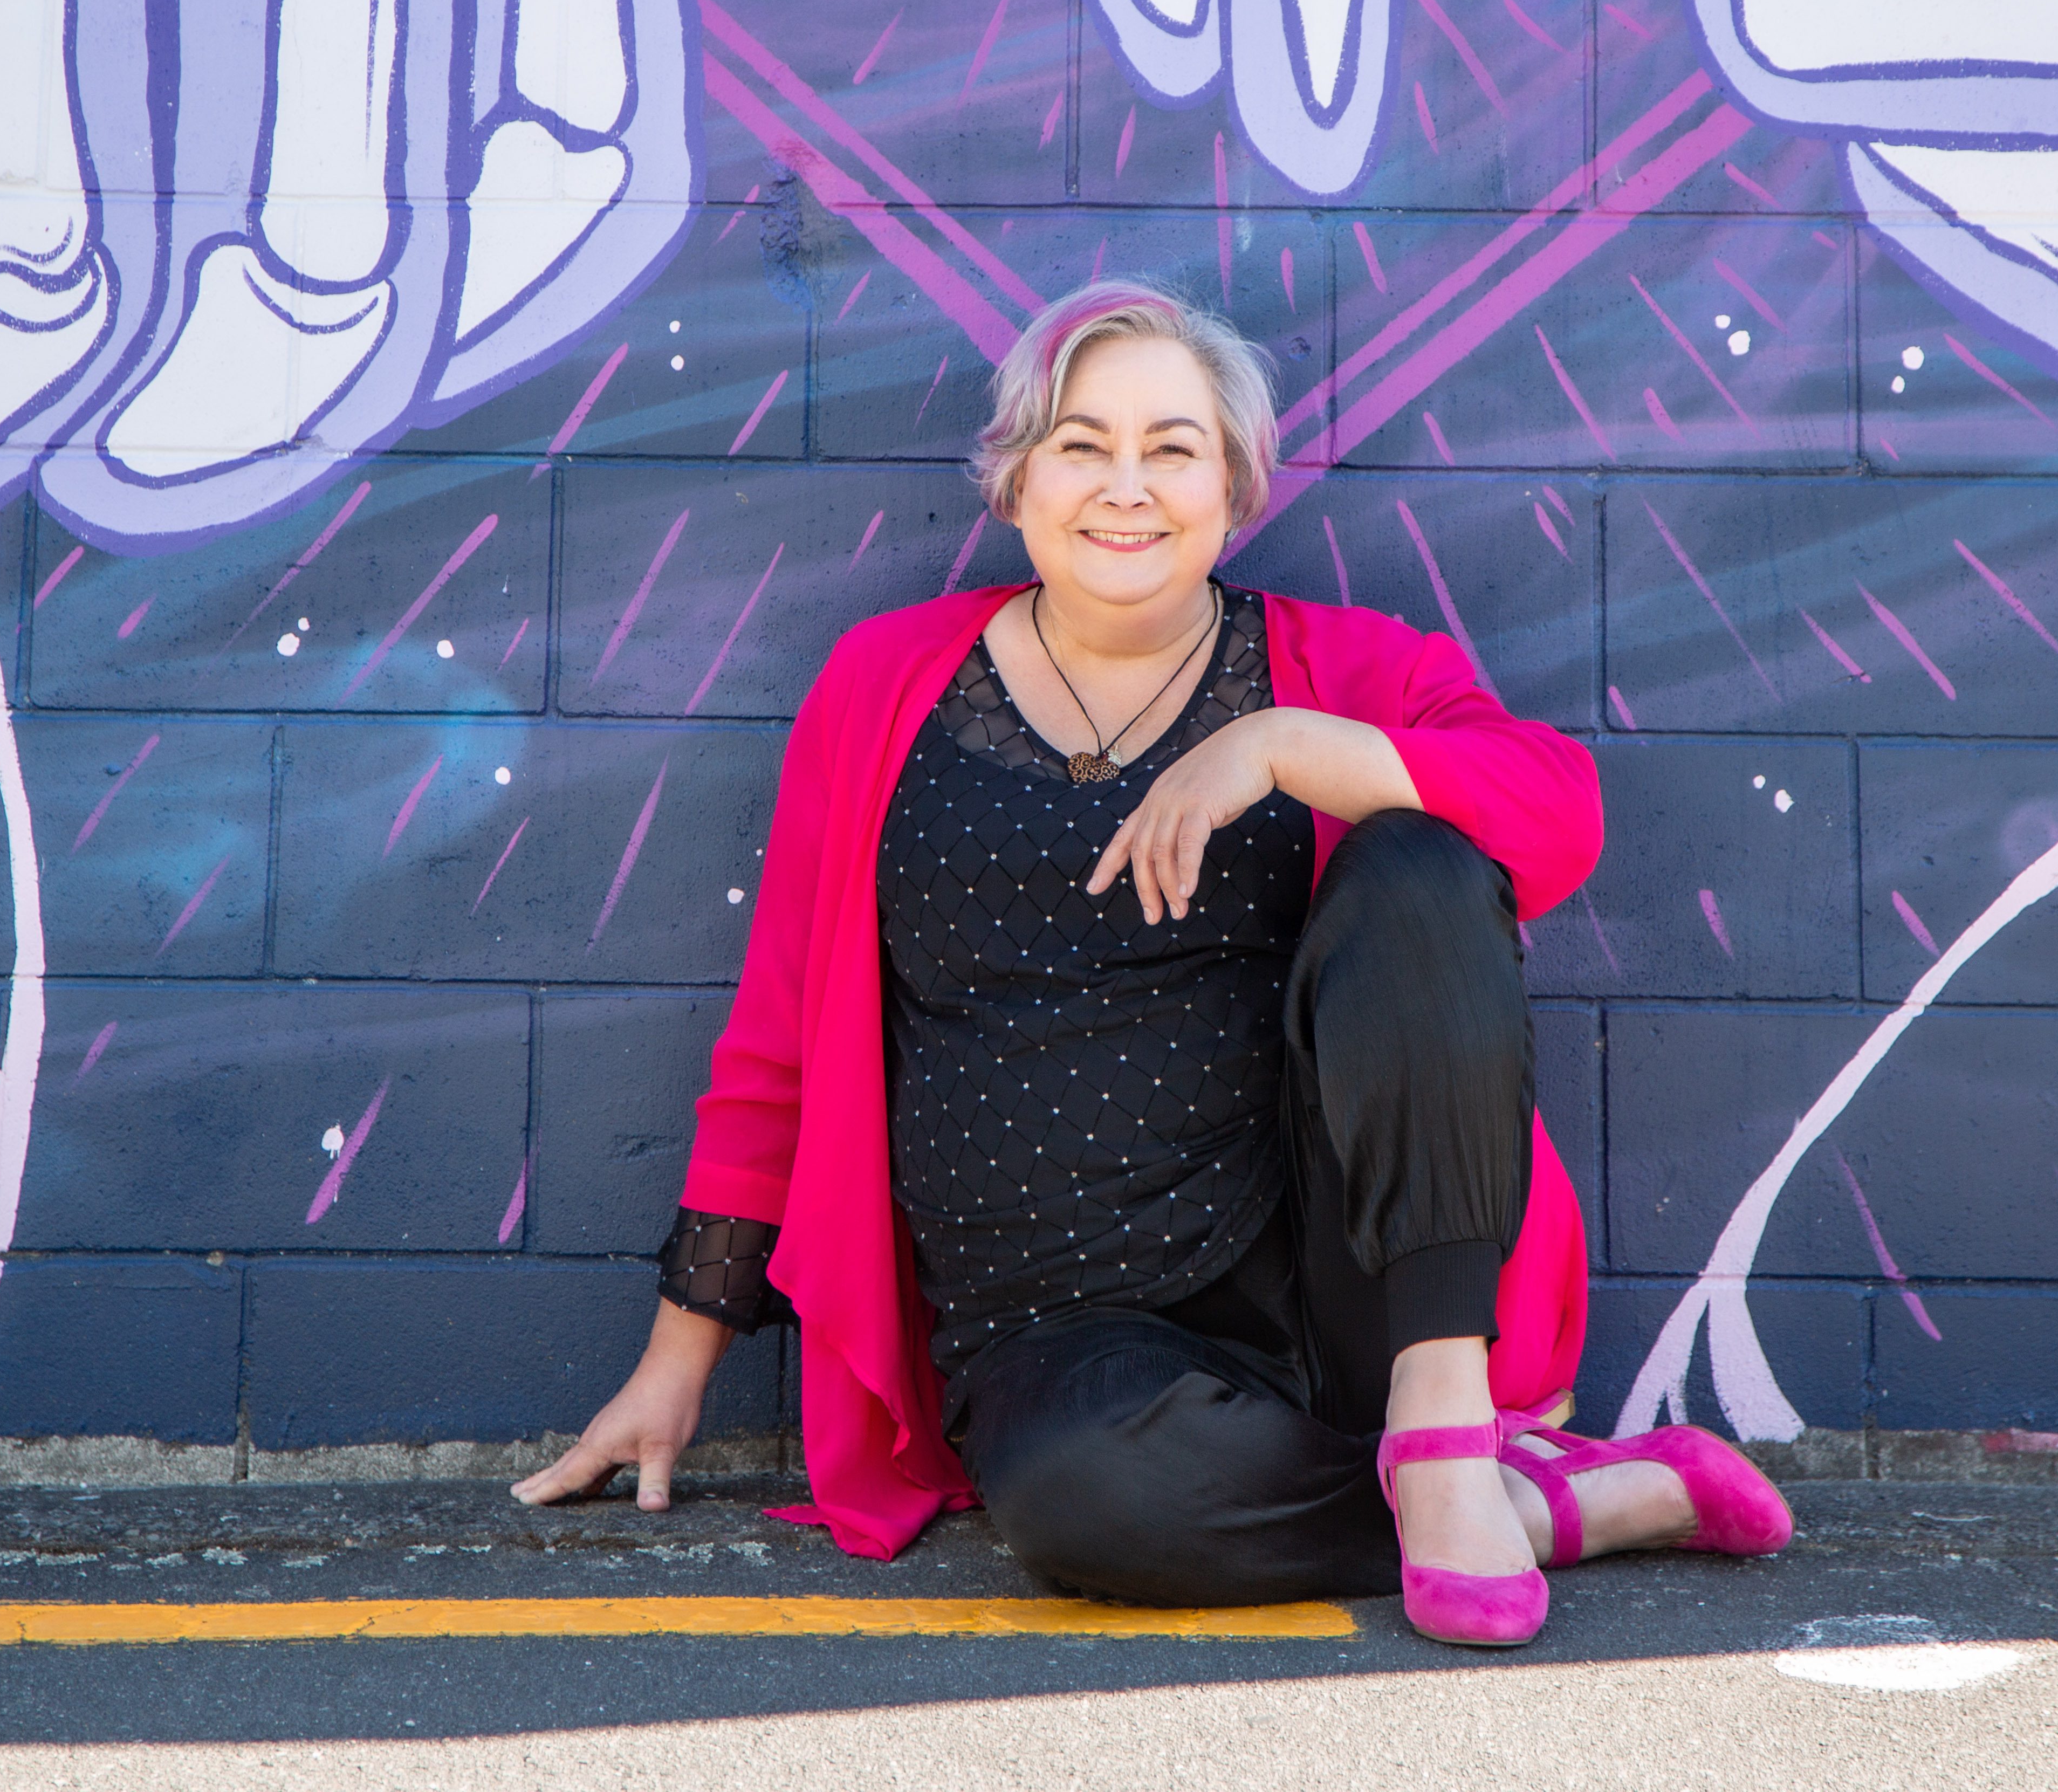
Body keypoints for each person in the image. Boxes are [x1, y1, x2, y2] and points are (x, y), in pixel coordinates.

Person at [515, 281, 1793, 1644]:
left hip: (1343, 1285)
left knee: (1423, 857)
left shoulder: (1341, 668)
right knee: (1085, 1507)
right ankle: (1527, 1502)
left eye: (1173, 449)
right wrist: (678, 1362)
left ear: (1233, 489)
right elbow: (777, 1043)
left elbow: (1559, 815)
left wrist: (1288, 747)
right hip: (1062, 1340)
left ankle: (1438, 1423)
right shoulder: (880, 689)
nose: (1126, 486)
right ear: (1016, 478)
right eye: (1082, 445)